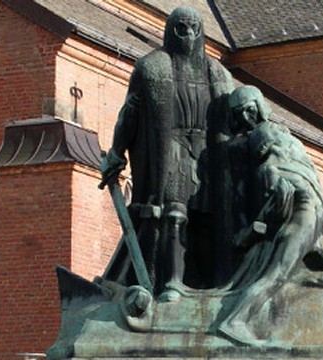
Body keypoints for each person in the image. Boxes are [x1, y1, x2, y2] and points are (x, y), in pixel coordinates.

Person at [99, 6, 233, 302]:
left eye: (194, 29)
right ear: (170, 31)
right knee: (173, 212)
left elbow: (234, 123)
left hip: (208, 154)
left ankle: (203, 282)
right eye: (181, 29)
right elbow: (129, 114)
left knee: (208, 216)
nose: (188, 35)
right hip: (170, 149)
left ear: (202, 33)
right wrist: (116, 152)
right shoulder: (152, 67)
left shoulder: (218, 73)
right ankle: (170, 283)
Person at [218, 86, 323, 345]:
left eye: (250, 109)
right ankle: (235, 321)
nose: (249, 117)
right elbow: (276, 202)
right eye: (242, 113)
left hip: (315, 218)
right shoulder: (269, 167)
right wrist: (249, 232)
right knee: (276, 275)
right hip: (303, 214)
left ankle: (299, 280)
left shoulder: (287, 145)